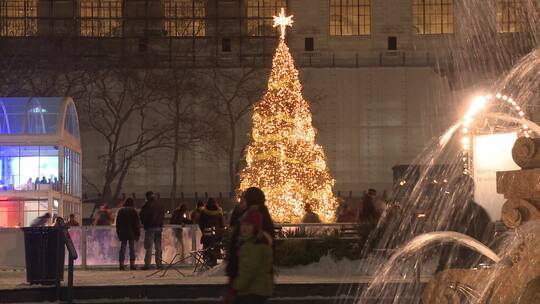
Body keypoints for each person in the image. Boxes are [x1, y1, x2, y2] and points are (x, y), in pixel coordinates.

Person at [226, 187, 275, 286]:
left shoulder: (249, 217)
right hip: (260, 277)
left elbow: (238, 243)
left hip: (247, 276)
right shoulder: (265, 217)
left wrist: (233, 270)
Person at [223, 209, 273, 304]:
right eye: (243, 225)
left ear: (255, 227)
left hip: (251, 291)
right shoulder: (255, 242)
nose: (244, 228)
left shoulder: (252, 245)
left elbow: (248, 271)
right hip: (257, 290)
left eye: (248, 225)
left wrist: (234, 289)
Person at [139, 191, 165, 270]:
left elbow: (142, 216)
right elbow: (162, 215)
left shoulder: (147, 205)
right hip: (159, 227)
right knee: (158, 247)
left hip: (150, 228)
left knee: (149, 247)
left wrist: (144, 223)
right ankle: (159, 264)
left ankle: (147, 264)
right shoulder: (160, 205)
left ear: (147, 197)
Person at [116, 198, 141, 270]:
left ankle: (121, 265)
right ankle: (132, 265)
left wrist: (118, 232)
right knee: (132, 248)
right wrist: (137, 234)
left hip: (123, 232)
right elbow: (137, 224)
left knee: (122, 248)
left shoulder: (121, 211)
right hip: (131, 233)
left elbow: (118, 223)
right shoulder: (134, 211)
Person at [199, 198, 224, 267]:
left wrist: (203, 231)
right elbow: (222, 224)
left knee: (207, 249)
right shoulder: (219, 213)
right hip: (216, 235)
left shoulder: (204, 213)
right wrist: (220, 232)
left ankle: (207, 262)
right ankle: (214, 262)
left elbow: (201, 224)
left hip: (207, 235)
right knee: (215, 249)